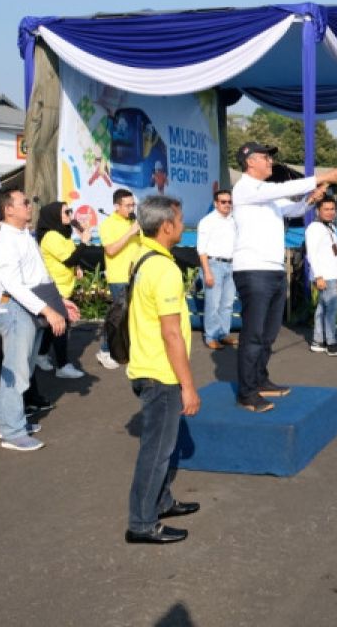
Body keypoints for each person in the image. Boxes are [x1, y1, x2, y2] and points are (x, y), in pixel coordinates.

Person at [231, 142, 337, 413]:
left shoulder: (267, 196)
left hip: (273, 269)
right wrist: (321, 177)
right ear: (250, 162)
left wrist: (310, 200)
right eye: (265, 157)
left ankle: (260, 378)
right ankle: (247, 392)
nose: (270, 161)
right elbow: (282, 189)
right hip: (253, 270)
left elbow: (291, 210)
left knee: (269, 333)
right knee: (254, 333)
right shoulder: (246, 188)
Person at [125, 195, 201, 545]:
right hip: (161, 372)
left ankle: (162, 502)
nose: (183, 225)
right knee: (156, 452)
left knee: (163, 448)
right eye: (180, 220)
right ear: (166, 226)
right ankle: (141, 524)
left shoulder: (143, 258)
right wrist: (188, 385)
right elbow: (171, 333)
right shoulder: (164, 268)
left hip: (146, 365)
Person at [0, 187, 66, 452]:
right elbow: (14, 285)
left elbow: (38, 275)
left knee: (24, 368)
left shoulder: (22, 235)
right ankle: (12, 430)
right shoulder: (4, 240)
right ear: (8, 209)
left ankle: (9, 420)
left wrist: (58, 302)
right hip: (17, 308)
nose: (29, 206)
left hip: (32, 306)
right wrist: (48, 310)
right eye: (24, 203)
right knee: (17, 370)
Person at [37, 202, 93, 379]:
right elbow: (68, 259)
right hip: (55, 288)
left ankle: (40, 355)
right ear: (54, 215)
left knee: (51, 327)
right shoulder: (51, 236)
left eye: (70, 211)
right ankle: (63, 365)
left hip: (64, 285)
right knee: (61, 325)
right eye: (66, 212)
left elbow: (70, 258)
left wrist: (77, 266)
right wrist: (84, 241)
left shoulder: (63, 233)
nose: (70, 214)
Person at [96, 189, 141, 370]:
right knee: (118, 316)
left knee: (133, 316)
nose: (131, 208)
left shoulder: (134, 222)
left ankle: (126, 350)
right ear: (116, 206)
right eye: (127, 205)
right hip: (119, 277)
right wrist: (130, 232)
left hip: (136, 276)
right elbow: (111, 250)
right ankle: (105, 350)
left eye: (133, 205)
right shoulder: (108, 224)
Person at [196, 189, 237, 350]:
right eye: (223, 202)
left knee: (227, 303)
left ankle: (223, 333)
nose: (227, 204)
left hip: (231, 264)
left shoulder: (234, 221)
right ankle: (211, 336)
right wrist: (207, 271)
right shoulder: (207, 221)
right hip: (214, 264)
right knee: (213, 303)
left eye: (229, 201)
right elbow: (202, 250)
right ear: (216, 203)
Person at [305, 195, 337, 356]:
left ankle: (318, 340)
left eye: (332, 209)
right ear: (318, 210)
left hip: (332, 273)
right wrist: (318, 276)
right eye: (326, 209)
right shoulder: (314, 228)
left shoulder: (331, 227)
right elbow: (311, 254)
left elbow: (334, 253)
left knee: (322, 308)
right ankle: (331, 341)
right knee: (332, 308)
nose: (330, 212)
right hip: (324, 275)